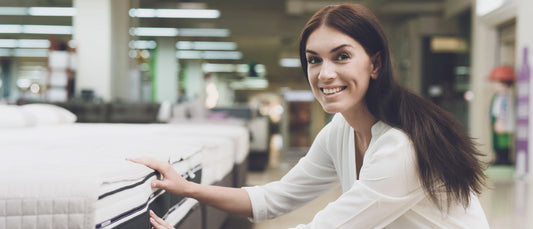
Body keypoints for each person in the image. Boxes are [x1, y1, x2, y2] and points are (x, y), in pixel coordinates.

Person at [127, 4, 489, 228]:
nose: (324, 73)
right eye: (314, 60)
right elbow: (274, 198)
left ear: (375, 63)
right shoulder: (340, 131)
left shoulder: (401, 147)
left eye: (341, 56)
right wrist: (187, 188)